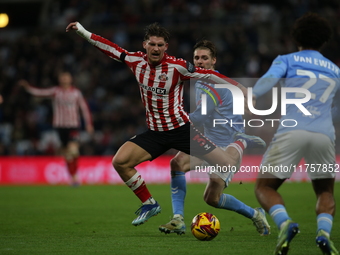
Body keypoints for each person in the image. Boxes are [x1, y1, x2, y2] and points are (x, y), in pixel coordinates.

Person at [66, 21, 266, 226]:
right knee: (120, 161)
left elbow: (209, 75)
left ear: (166, 47)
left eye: (160, 45)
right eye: (152, 44)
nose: (156, 48)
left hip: (181, 130)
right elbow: (110, 49)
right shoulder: (135, 61)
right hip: (155, 133)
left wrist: (240, 87)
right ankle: (154, 205)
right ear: (145, 45)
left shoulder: (177, 67)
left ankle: (242, 166)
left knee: (225, 165)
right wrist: (82, 31)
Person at [158, 40, 270, 236]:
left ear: (213, 61)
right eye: (196, 58)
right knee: (177, 163)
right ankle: (178, 219)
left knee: (212, 197)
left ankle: (255, 214)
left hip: (231, 143)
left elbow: (201, 116)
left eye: (204, 58)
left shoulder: (215, 84)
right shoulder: (200, 82)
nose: (200, 62)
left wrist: (172, 117)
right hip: (209, 140)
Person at [252, 13, 339, 255]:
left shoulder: (287, 60)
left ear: (296, 37)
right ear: (324, 40)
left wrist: (252, 96)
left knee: (264, 188)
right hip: (324, 135)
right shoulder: (334, 69)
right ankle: (323, 233)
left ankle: (285, 223)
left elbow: (265, 83)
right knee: (325, 191)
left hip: (292, 130)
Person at [18, 72, 94, 186]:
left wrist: (89, 123)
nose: (64, 80)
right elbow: (40, 93)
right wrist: (28, 87)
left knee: (73, 150)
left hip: (73, 125)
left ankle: (74, 176)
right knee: (68, 155)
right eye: (62, 78)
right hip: (60, 126)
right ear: (59, 80)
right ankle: (73, 177)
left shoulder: (76, 93)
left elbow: (84, 108)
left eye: (66, 78)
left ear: (70, 79)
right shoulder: (55, 91)